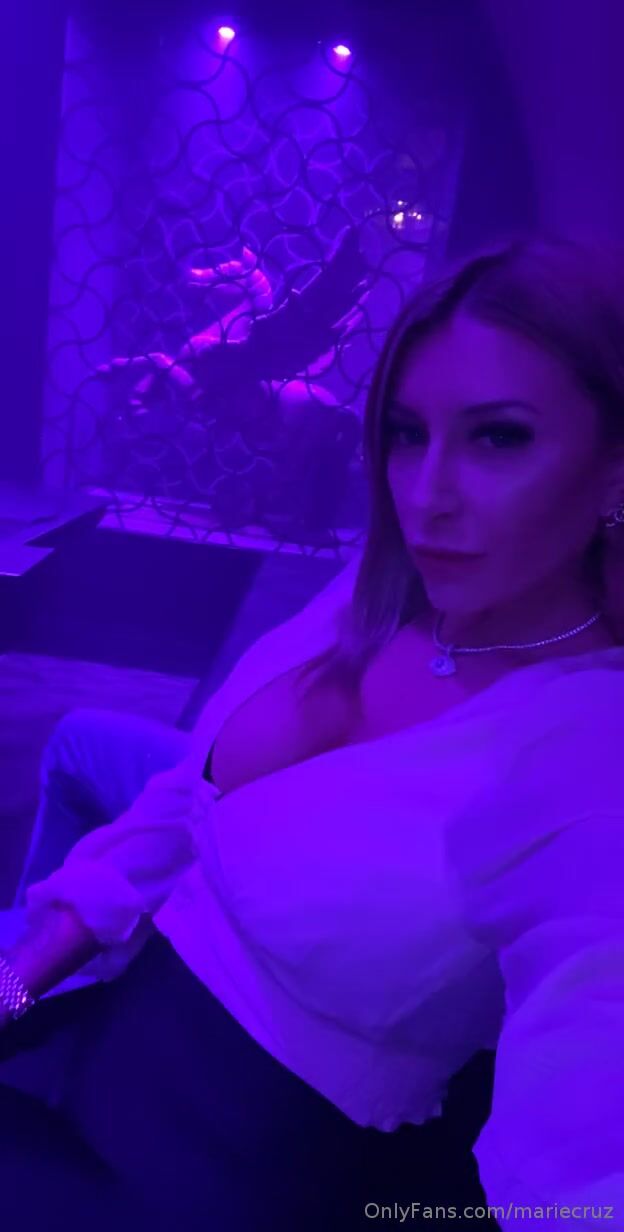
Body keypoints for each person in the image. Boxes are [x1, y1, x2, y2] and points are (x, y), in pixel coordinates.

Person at [1, 233, 624, 1231]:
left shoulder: (588, 755)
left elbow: (585, 1135)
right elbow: (187, 800)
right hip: (93, 1029)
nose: (427, 495)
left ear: (613, 468)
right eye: (408, 433)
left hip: (203, 1186)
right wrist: (16, 987)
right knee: (82, 747)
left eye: (498, 437)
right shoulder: (378, 590)